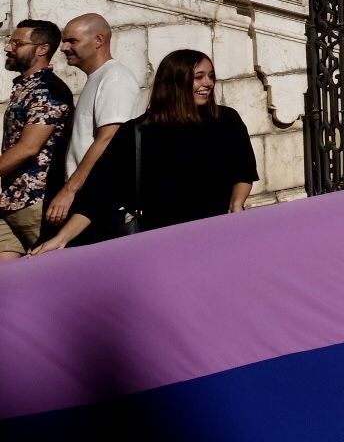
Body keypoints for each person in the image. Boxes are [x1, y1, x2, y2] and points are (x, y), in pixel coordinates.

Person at [29, 49, 255, 253]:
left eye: (211, 76)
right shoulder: (137, 132)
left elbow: (243, 171)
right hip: (162, 243)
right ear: (174, 82)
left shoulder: (226, 120)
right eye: (198, 77)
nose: (208, 83)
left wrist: (236, 205)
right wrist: (61, 238)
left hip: (219, 236)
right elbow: (99, 192)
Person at [45, 13, 142, 239]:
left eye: (72, 41)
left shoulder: (115, 78)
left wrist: (69, 190)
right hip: (89, 200)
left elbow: (108, 139)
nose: (63, 48)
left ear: (98, 40)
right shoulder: (100, 78)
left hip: (101, 203)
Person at [0, 21, 72, 260]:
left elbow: (29, 148)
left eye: (17, 43)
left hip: (35, 202)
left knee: (55, 275)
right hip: (10, 200)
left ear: (42, 49)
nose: (8, 48)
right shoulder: (26, 87)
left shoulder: (47, 89)